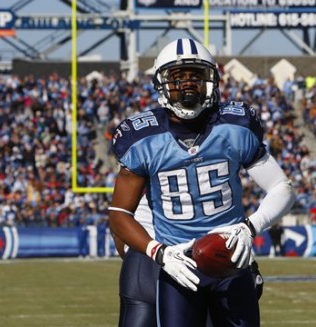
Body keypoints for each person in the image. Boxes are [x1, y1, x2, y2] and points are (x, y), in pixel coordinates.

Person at [108, 38, 295, 326]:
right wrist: (159, 253)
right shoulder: (142, 138)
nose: (187, 85)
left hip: (229, 257)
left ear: (212, 80)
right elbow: (120, 216)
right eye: (177, 78)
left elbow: (282, 187)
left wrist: (249, 228)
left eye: (196, 76)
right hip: (176, 260)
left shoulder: (234, 127)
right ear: (161, 84)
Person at [113, 196, 264, 327]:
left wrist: (135, 255)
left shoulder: (139, 165)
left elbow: (118, 222)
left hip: (145, 257)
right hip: (209, 256)